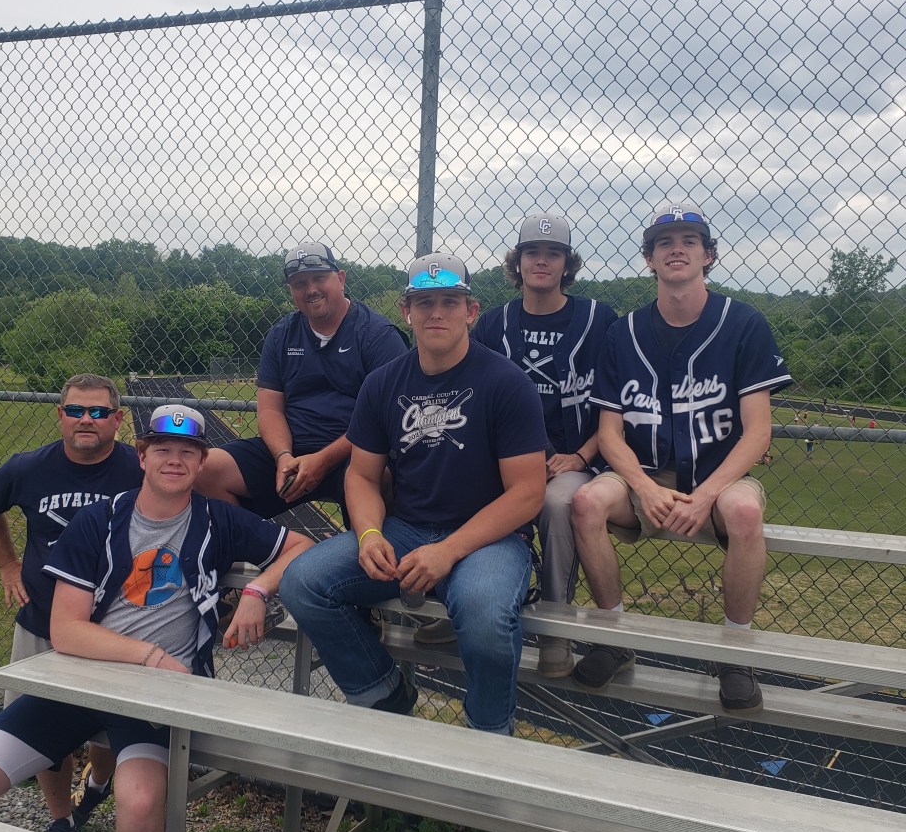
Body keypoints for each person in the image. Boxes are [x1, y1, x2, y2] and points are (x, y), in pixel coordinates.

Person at [0, 406, 312, 832]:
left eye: (188, 452)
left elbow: (301, 546)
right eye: (162, 449)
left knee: (142, 804)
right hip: (83, 682)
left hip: (156, 699)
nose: (175, 460)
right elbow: (67, 631)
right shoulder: (99, 520)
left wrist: (256, 591)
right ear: (142, 457)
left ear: (201, 464)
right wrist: (148, 654)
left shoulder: (218, 520)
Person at [280, 253, 547, 735]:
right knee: (303, 582)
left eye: (450, 301)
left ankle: (490, 738)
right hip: (407, 530)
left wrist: (448, 551)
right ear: (406, 311)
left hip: (489, 539)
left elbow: (527, 493)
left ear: (471, 311)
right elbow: (362, 477)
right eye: (424, 303)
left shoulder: (507, 382)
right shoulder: (383, 383)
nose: (436, 313)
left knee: (484, 615)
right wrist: (368, 534)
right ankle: (381, 693)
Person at [570, 199, 792, 714]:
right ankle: (613, 637)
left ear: (708, 255)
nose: (677, 250)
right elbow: (609, 434)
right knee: (585, 502)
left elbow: (758, 432)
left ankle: (735, 654)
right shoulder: (622, 332)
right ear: (648, 259)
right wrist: (644, 488)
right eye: (664, 243)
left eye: (689, 242)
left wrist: (708, 494)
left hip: (720, 475)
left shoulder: (743, 323)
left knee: (745, 511)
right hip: (645, 473)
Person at [0, 373, 144, 832]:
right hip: (42, 622)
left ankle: (99, 782)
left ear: (118, 419)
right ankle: (61, 817)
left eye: (98, 412)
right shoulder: (29, 468)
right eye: (75, 410)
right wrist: (7, 564)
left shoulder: (138, 470)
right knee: (41, 732)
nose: (86, 419)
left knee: (105, 730)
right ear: (60, 415)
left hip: (113, 628)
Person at [472, 213, 617, 678]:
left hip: (574, 458)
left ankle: (555, 630)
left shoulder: (597, 319)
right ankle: (457, 605)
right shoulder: (493, 324)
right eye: (532, 252)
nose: (541, 261)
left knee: (557, 504)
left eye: (553, 253)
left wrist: (582, 455)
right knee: (461, 485)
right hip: (508, 457)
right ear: (517, 263)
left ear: (567, 264)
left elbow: (617, 402)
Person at [196, 241, 407, 520]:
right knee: (205, 468)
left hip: (356, 451)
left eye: (319, 278)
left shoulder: (378, 335)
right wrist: (283, 455)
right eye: (299, 283)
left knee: (380, 478)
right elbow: (270, 409)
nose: (311, 289)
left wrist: (322, 460)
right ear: (290, 291)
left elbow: (383, 420)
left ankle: (369, 545)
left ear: (340, 279)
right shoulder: (282, 334)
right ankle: (253, 541)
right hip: (292, 449)